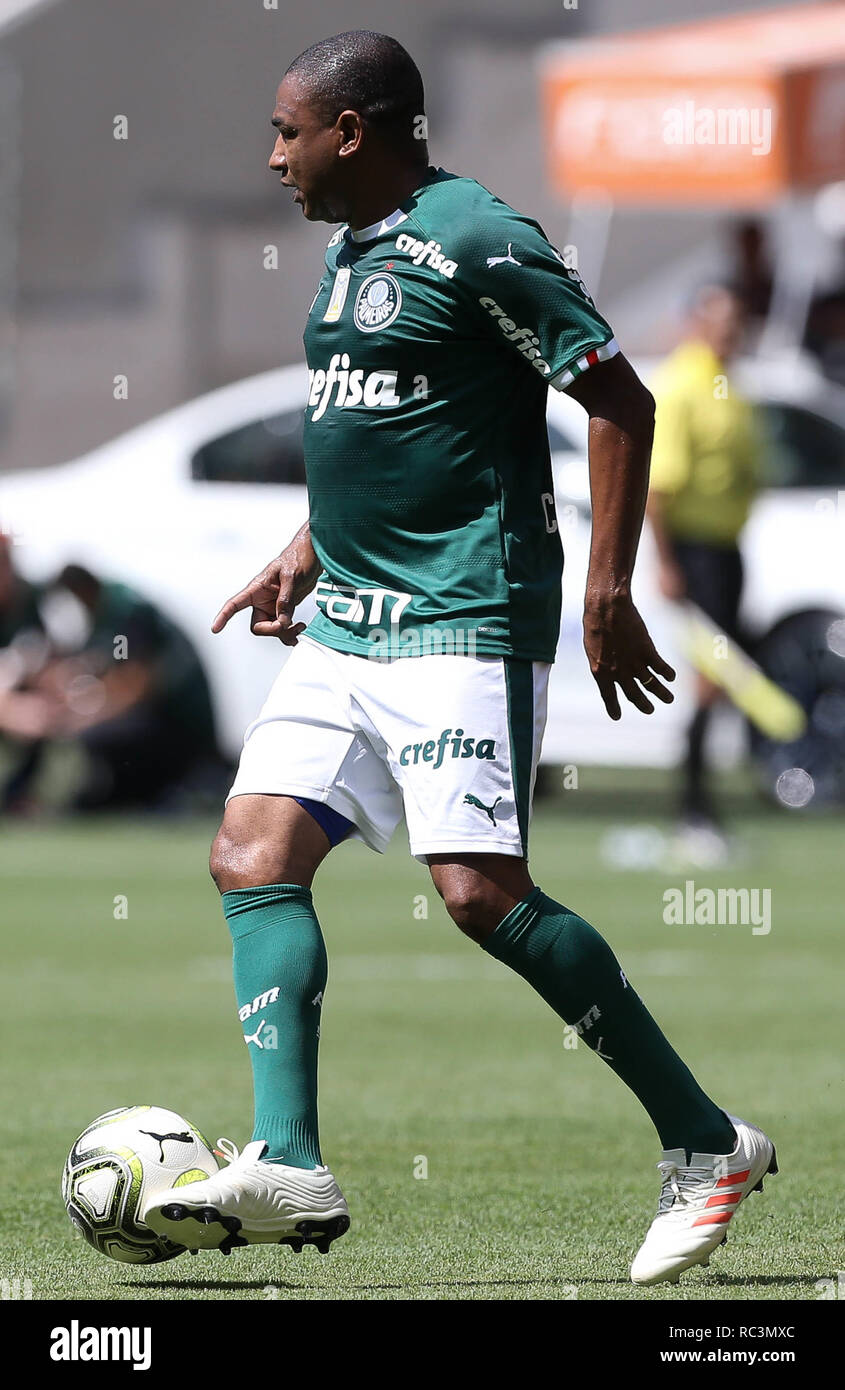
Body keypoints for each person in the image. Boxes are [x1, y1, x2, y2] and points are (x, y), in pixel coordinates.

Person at [145, 32, 776, 1286]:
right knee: (249, 854)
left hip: (462, 611)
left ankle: (706, 1144)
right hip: (350, 616)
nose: (271, 157)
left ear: (357, 131)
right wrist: (304, 546)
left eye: (288, 132)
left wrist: (603, 590)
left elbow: (617, 399)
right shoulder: (350, 247)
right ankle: (290, 1161)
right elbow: (389, 426)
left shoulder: (480, 238)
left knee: (479, 894)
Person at [647, 284, 760, 846]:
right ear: (697, 323)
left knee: (721, 677)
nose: (732, 334)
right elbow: (658, 487)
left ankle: (702, 806)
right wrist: (666, 562)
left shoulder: (730, 386)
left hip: (728, 549)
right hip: (695, 551)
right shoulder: (684, 385)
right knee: (711, 679)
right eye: (722, 322)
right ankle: (692, 809)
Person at [47, 565, 219, 811]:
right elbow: (113, 665)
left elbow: (136, 682)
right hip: (162, 711)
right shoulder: (111, 610)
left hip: (178, 719)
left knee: (98, 737)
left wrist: (85, 717)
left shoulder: (126, 610)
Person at [0, 535, 51, 811]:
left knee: (40, 709)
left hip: (20, 695)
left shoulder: (29, 599)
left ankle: (21, 796)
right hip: (8, 702)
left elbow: (36, 653)